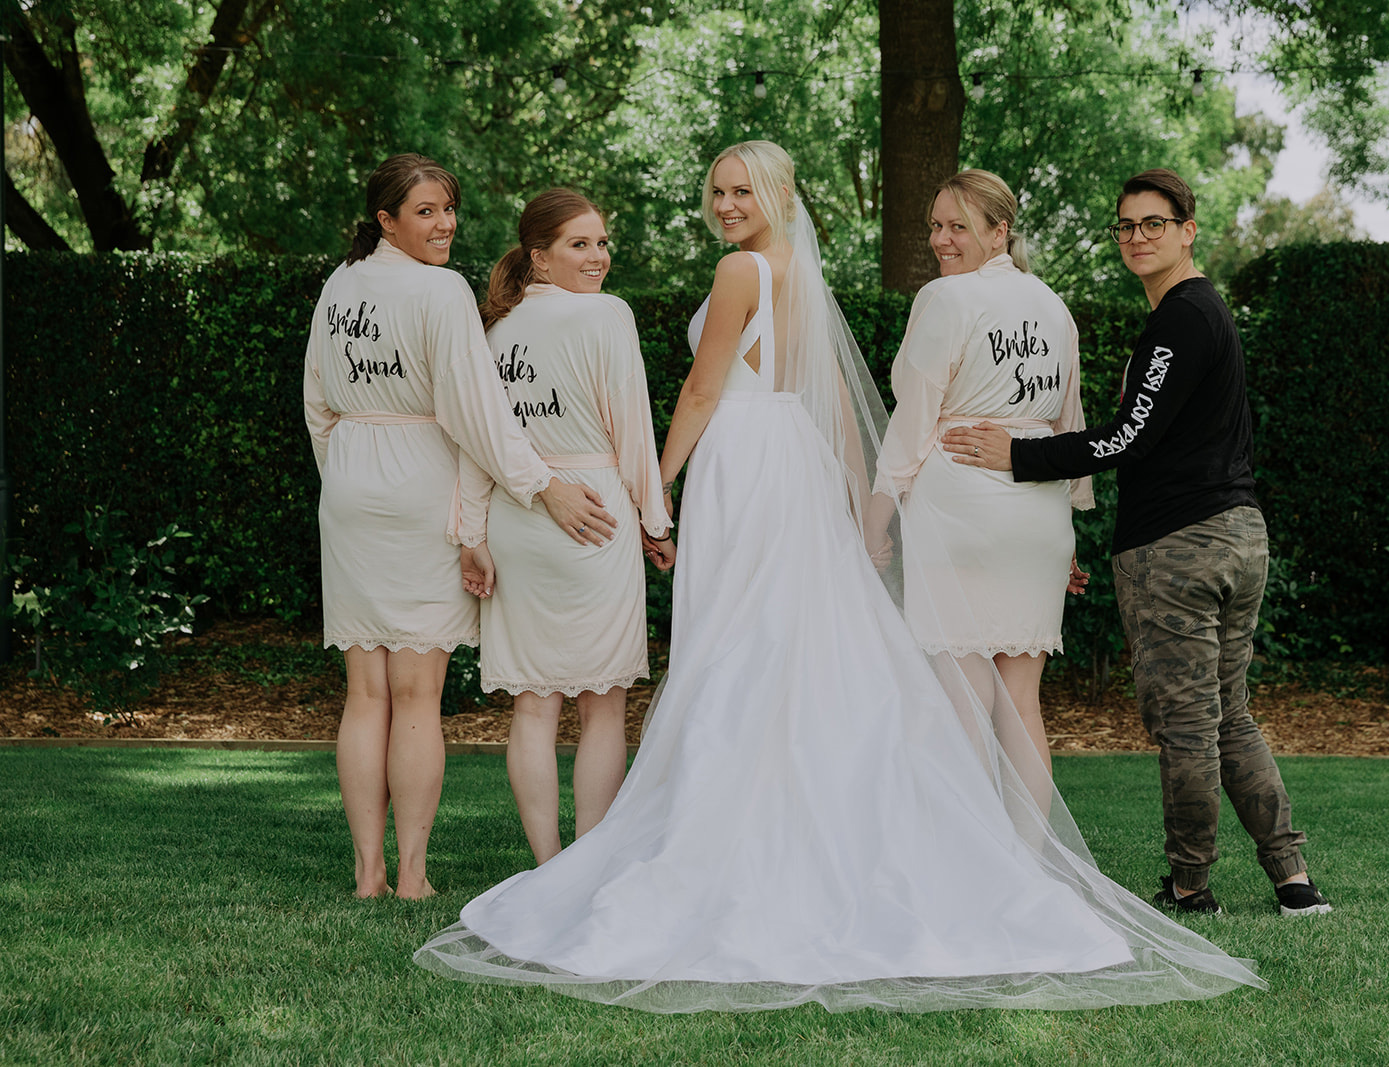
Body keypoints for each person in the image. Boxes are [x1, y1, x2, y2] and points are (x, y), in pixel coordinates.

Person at [414, 142, 1265, 1011]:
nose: (726, 203)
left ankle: (748, 831)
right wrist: (866, 498)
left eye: (742, 189)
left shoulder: (742, 269)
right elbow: (846, 403)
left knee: (739, 642)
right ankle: (983, 851)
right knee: (813, 641)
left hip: (745, 462)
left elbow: (705, 392)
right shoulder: (812, 276)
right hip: (809, 464)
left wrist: (651, 492)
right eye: (717, 190)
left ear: (776, 193)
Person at [942, 168, 1332, 918]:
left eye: (1153, 224)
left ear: (1188, 230)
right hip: (1239, 535)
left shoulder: (1183, 319)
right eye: (1125, 226)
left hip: (1181, 545)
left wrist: (1019, 457)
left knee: (1187, 724)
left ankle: (1191, 886)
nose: (1137, 238)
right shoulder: (1199, 315)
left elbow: (1128, 435)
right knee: (1228, 713)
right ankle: (1292, 879)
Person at [304, 154, 616, 900]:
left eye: (448, 208)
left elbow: (316, 401)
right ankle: (409, 874)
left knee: (364, 691)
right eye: (425, 212)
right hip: (420, 480)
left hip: (348, 481)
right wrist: (545, 487)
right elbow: (480, 415)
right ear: (386, 220)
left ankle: (365, 872)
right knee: (414, 693)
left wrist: (344, 474)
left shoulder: (339, 285)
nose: (444, 224)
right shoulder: (440, 291)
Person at [455, 189, 672, 866]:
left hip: (520, 523)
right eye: (580, 244)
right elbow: (631, 426)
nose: (599, 256)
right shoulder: (606, 317)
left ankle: (548, 862)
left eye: (603, 242)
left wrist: (473, 532)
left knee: (533, 704)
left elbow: (476, 444)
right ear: (539, 258)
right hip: (595, 517)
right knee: (603, 702)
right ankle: (588, 862)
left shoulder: (494, 333)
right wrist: (655, 518)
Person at [868, 169, 1093, 775]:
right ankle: (1023, 860)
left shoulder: (946, 298)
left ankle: (975, 860)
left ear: (1000, 232)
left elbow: (912, 423)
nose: (942, 240)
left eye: (958, 227)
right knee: (1022, 701)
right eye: (936, 226)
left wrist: (875, 520)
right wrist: (1069, 525)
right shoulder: (1053, 305)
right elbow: (1069, 425)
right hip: (1038, 520)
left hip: (959, 510)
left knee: (964, 695)